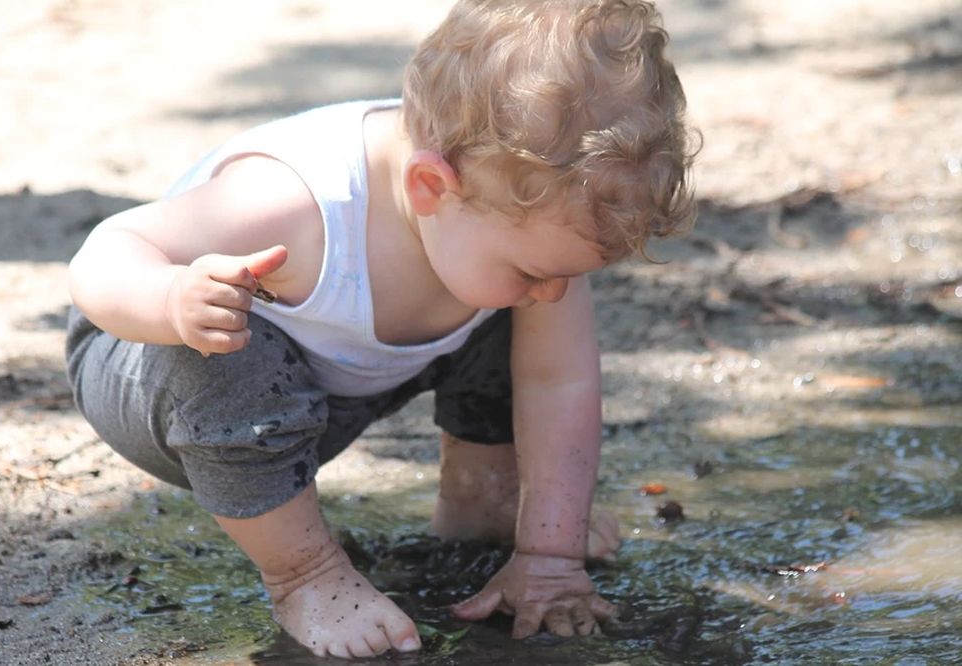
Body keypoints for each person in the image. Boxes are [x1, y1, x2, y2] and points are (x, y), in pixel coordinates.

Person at [65, 0, 697, 659]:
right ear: (430, 185)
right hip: (153, 371)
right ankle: (307, 575)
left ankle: (484, 496)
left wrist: (550, 554)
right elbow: (107, 252)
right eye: (536, 268)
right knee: (229, 355)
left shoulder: (506, 210)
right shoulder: (296, 203)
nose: (554, 291)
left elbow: (558, 381)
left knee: (517, 316)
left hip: (332, 383)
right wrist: (171, 300)